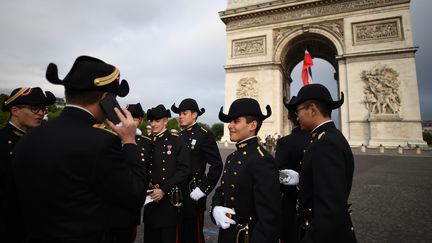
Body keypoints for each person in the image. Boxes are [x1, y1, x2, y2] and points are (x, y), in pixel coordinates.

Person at [11, 55, 147, 243]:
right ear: (106, 98)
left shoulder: (29, 137)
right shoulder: (102, 143)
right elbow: (135, 195)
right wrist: (130, 142)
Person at [287, 83, 357, 243]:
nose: (296, 117)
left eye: (298, 111)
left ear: (312, 109)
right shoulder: (329, 137)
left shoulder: (326, 143)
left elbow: (329, 208)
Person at [211, 98, 281, 243]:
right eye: (230, 121)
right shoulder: (232, 156)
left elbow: (269, 219)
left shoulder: (263, 160)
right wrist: (215, 208)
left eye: (236, 121)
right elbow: (222, 190)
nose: (229, 126)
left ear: (252, 125)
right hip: (227, 234)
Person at [0, 87, 55, 243]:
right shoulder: (2, 142)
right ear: (15, 110)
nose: (41, 113)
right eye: (34, 108)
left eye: (43, 109)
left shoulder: (39, 140)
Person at [171, 98, 223, 243]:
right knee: (177, 232)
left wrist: (203, 189)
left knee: (192, 233)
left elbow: (216, 165)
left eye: (184, 113)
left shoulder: (204, 134)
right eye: (179, 113)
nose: (180, 116)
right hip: (176, 190)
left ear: (194, 115)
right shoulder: (178, 136)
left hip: (193, 191)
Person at [143, 104, 190, 243]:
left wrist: (163, 189)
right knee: (150, 237)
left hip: (167, 200)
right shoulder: (147, 140)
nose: (153, 124)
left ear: (166, 121)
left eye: (157, 121)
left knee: (167, 237)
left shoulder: (176, 140)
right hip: (149, 198)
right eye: (151, 121)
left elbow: (184, 170)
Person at [275, 96, 310, 243]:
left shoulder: (285, 143)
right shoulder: (324, 139)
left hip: (292, 206)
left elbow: (279, 178)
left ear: (289, 116)